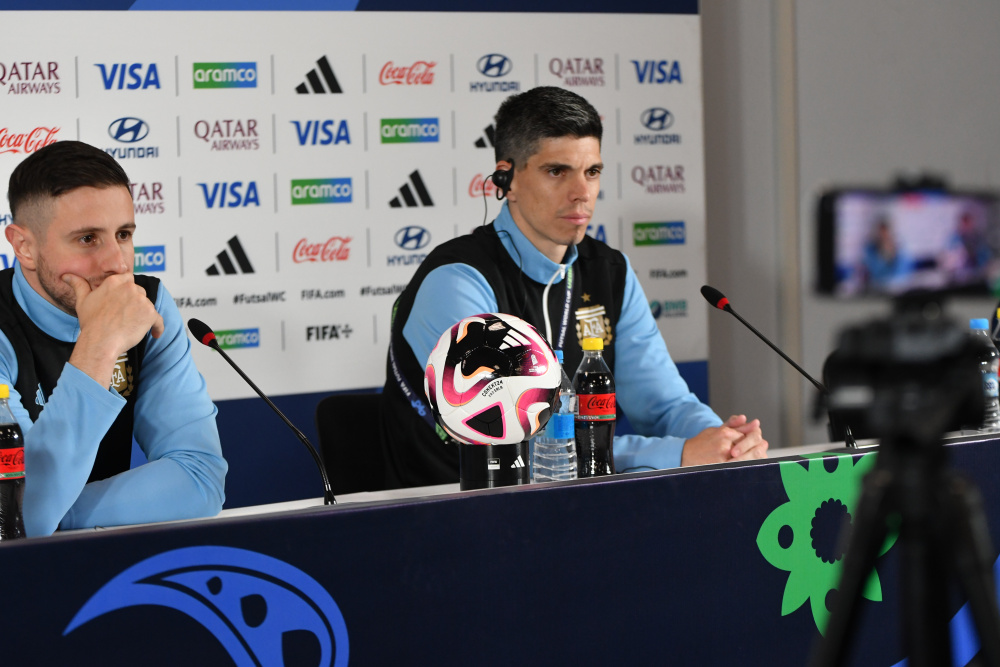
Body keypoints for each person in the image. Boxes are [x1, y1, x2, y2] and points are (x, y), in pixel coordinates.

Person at [380, 86, 767, 488]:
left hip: (570, 509)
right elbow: (518, 439)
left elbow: (666, 405)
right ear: (507, 179)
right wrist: (678, 454)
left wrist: (724, 443)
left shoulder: (609, 271)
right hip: (449, 513)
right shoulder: (457, 280)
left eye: (592, 172)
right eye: (557, 171)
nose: (582, 193)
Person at [3, 141, 226, 536]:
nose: (117, 264)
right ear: (25, 246)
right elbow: (26, 514)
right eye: (88, 239)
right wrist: (99, 344)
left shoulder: (147, 304)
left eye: (123, 234)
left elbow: (200, 478)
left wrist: (61, 516)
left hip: (98, 563)